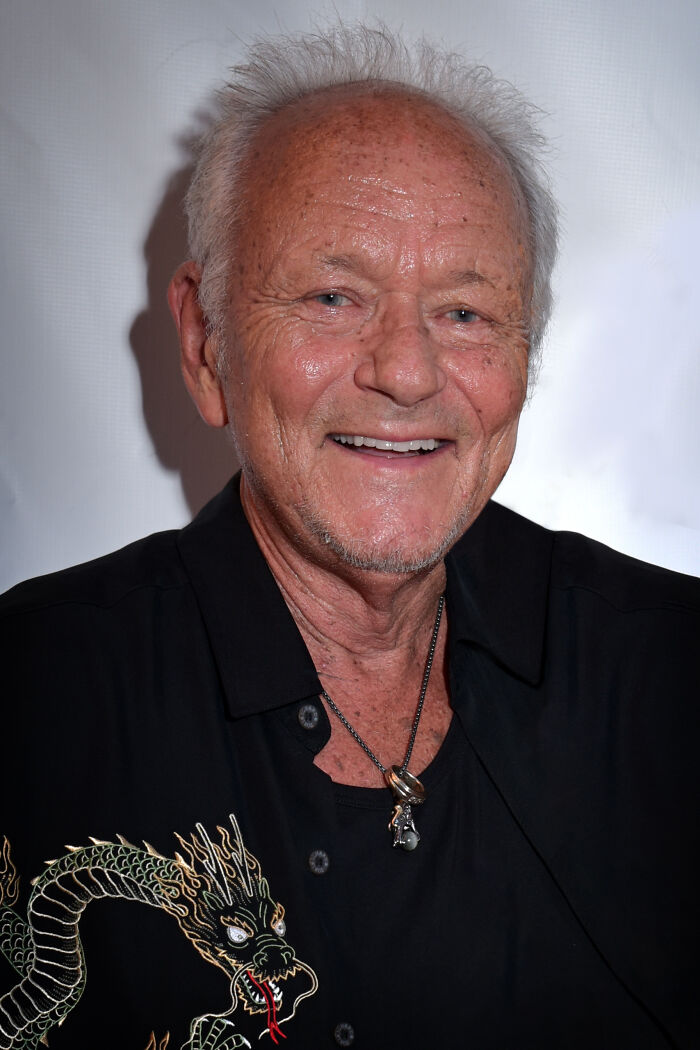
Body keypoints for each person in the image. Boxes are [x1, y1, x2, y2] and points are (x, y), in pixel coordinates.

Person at [1, 23, 697, 1050]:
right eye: (334, 297)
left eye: (464, 313)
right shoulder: (32, 694)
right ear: (204, 343)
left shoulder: (674, 671)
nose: (407, 373)